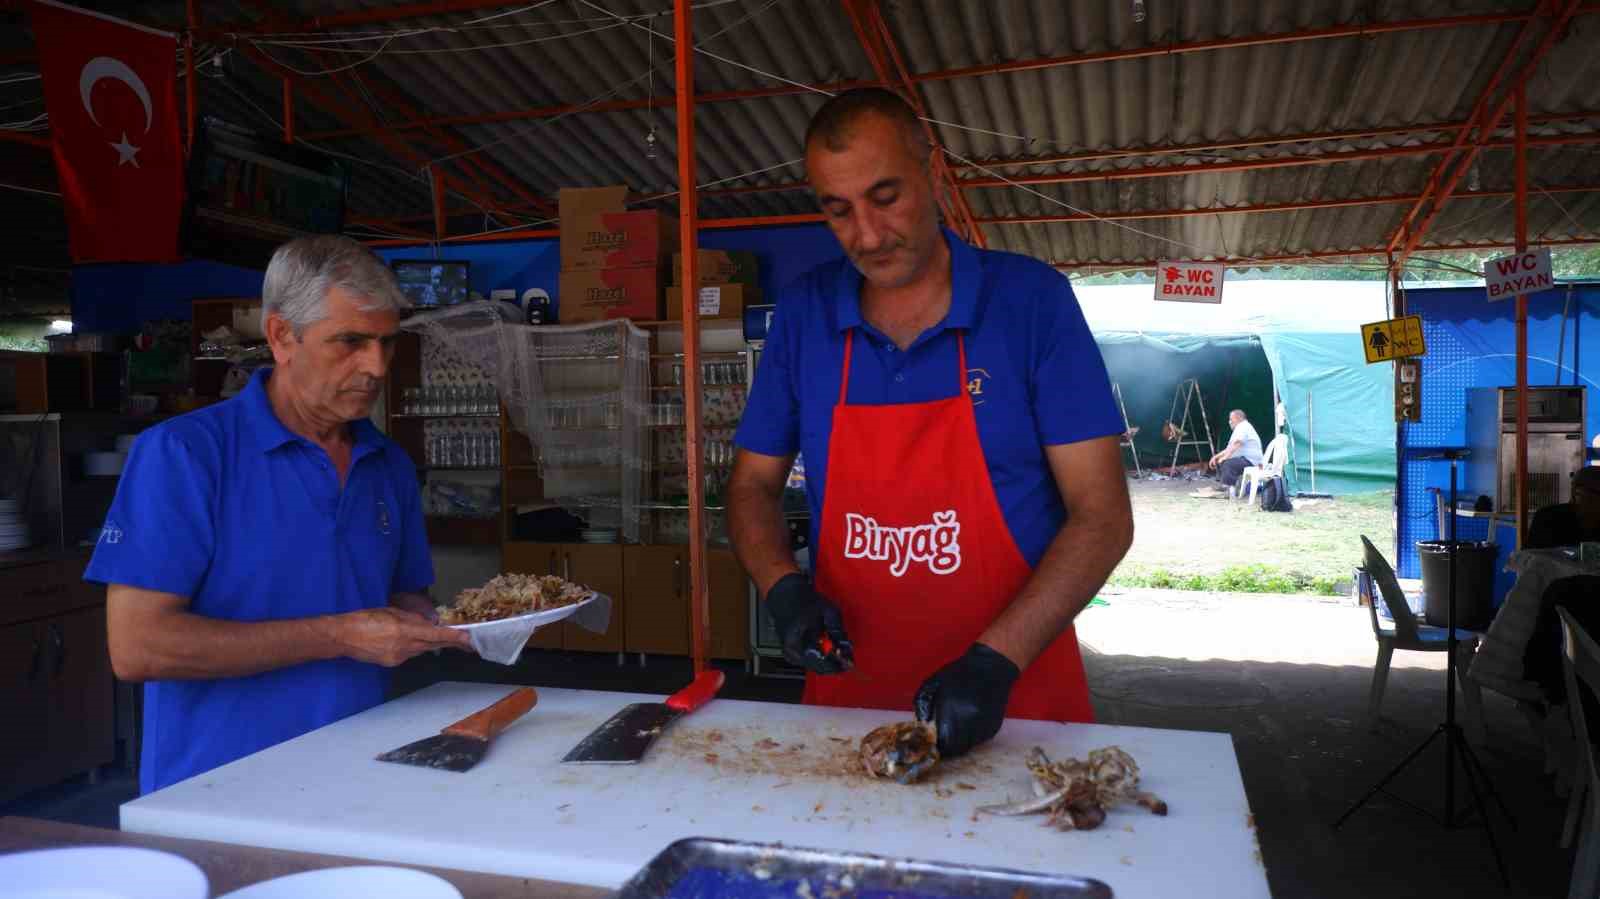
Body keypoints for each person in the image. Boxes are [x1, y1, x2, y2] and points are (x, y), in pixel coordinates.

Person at [728, 88, 1134, 760]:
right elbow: (750, 485)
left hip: (1017, 701)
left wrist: (996, 661)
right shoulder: (804, 315)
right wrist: (783, 585)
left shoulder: (1031, 303)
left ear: (934, 171)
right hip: (847, 707)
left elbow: (1102, 515)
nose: (866, 234)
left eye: (885, 197)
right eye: (838, 211)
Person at [87, 236, 472, 794]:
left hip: (364, 778)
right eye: (350, 341)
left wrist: (478, 624)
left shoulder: (387, 463)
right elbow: (138, 646)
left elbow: (404, 602)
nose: (376, 366)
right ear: (281, 336)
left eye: (387, 343)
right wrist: (341, 636)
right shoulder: (185, 455)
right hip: (218, 792)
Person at [1208, 409, 1263, 489]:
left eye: (1231, 419)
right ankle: (1228, 486)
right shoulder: (1241, 427)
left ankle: (1228, 488)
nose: (1229, 422)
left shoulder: (1243, 426)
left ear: (1238, 418)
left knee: (1228, 463)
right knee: (1224, 461)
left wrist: (1224, 458)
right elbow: (1230, 448)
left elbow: (1237, 444)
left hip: (1252, 461)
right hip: (1247, 459)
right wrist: (1216, 457)